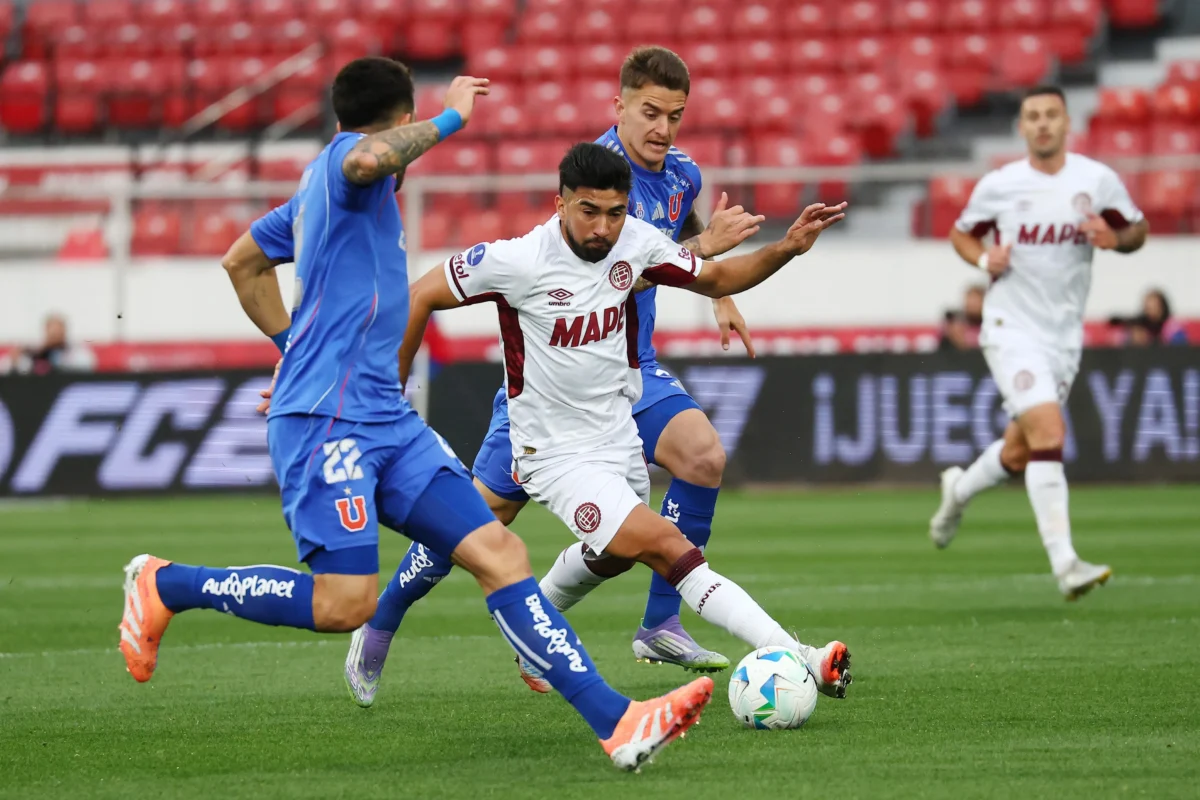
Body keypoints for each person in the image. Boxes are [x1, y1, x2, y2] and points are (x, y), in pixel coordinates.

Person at [116, 57, 713, 773]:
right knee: (345, 604)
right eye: (412, 127)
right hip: (328, 422)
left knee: (499, 552)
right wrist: (453, 117)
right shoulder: (345, 166)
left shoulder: (321, 200)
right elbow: (365, 157)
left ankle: (616, 723)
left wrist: (292, 347)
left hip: (384, 419)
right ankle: (166, 584)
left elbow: (243, 263)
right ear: (402, 122)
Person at [347, 46, 769, 703]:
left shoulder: (682, 172)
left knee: (702, 458)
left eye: (676, 115)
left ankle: (660, 621)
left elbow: (685, 246)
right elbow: (572, 272)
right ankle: (385, 615)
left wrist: (719, 292)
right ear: (619, 107)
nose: (663, 128)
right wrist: (699, 251)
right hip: (552, 384)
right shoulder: (596, 174)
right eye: (650, 112)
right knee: (476, 526)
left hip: (631, 371)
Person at [388, 142, 853, 705]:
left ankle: (536, 625)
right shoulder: (516, 259)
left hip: (615, 437)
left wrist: (787, 248)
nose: (603, 227)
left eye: (615, 212)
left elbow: (716, 277)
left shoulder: (636, 242)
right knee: (666, 544)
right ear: (559, 203)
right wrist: (393, 392)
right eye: (589, 211)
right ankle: (799, 656)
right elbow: (419, 296)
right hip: (551, 451)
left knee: (613, 554)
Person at [930, 85, 1149, 600]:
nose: (1043, 123)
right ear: (1022, 127)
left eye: (1052, 114)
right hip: (1011, 328)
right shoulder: (1001, 185)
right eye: (1033, 116)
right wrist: (985, 260)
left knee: (1021, 447)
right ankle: (1065, 563)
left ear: (1067, 122)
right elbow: (962, 234)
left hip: (1063, 337)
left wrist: (1116, 239)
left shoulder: (1096, 180)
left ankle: (958, 491)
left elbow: (1138, 229)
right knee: (1049, 430)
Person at [1109, 288, 1188, 346]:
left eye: (1154, 306)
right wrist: (1131, 338)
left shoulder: (1172, 327)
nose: (1150, 311)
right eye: (1147, 307)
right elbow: (1114, 341)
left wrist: (1150, 340)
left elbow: (1180, 348)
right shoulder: (1139, 324)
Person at [938, 285, 985, 351]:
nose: (972, 305)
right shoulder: (955, 325)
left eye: (975, 302)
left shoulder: (990, 325)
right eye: (969, 301)